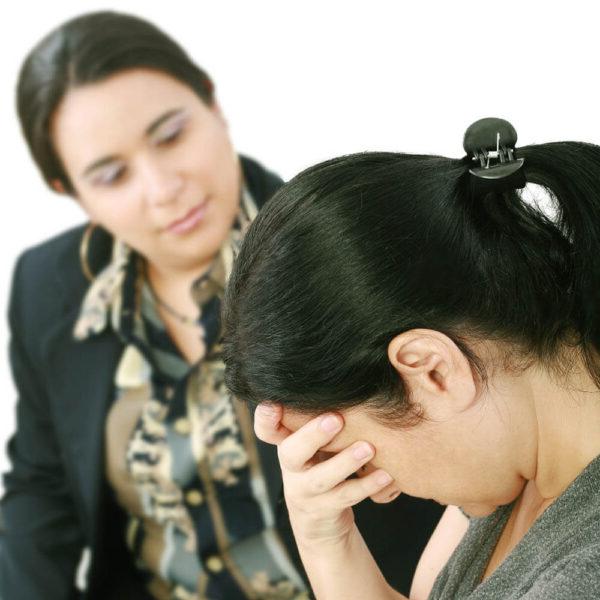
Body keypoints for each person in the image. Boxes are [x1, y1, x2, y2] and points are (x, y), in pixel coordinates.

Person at [0, 10, 443, 600]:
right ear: (70, 192)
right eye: (111, 175)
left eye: (171, 135)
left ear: (212, 102)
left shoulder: (346, 244)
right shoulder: (47, 286)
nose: (164, 188)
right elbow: (42, 486)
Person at [223, 117, 600, 599]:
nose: (378, 486)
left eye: (348, 456)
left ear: (433, 371)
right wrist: (325, 538)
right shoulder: (521, 461)